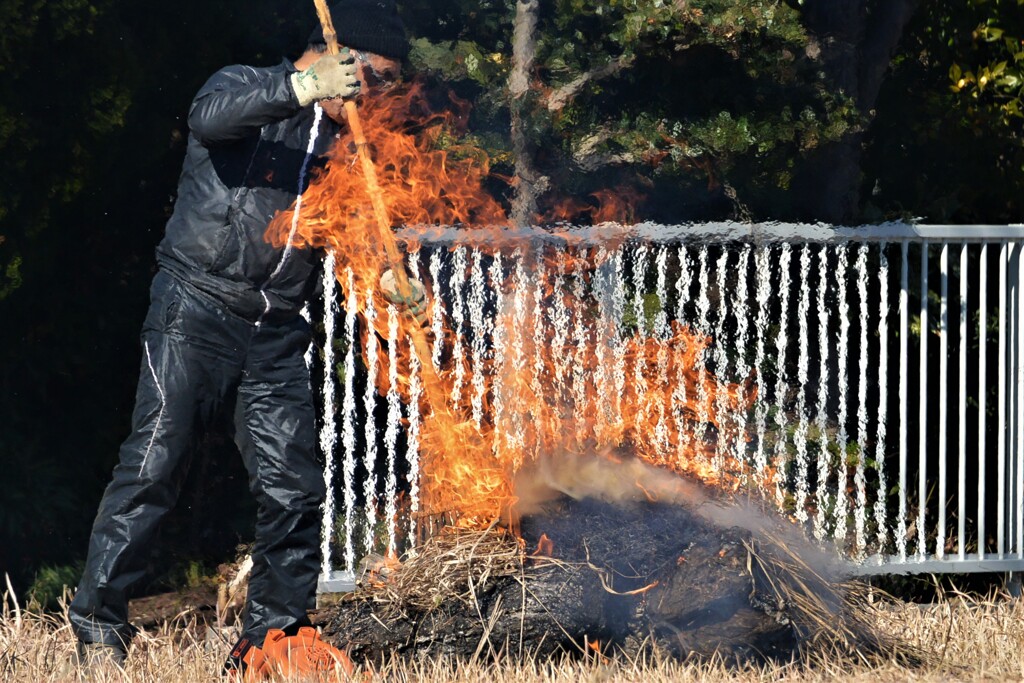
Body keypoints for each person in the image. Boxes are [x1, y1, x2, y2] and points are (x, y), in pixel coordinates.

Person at [69, 0, 410, 673]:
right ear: (338, 58)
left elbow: (351, 229)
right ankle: (98, 626)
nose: (377, 99)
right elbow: (207, 119)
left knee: (294, 487)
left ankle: (273, 637)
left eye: (389, 87)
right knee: (154, 465)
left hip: (276, 330)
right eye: (375, 79)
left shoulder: (347, 145)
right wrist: (300, 89)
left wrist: (386, 275)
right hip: (194, 309)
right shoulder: (244, 85)